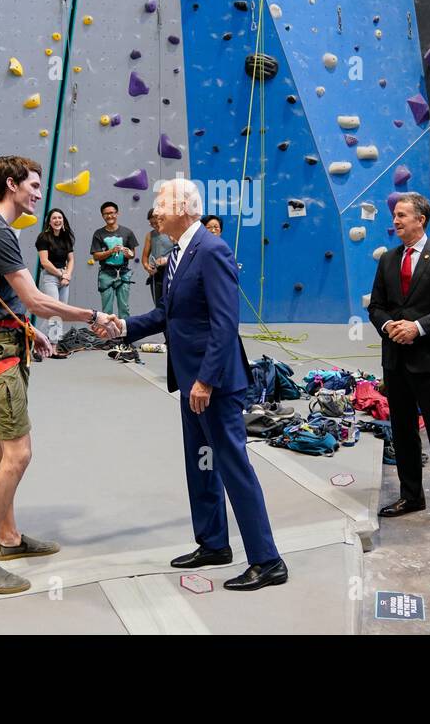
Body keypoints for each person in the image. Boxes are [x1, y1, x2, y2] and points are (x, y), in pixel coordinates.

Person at [98, 178, 287, 590]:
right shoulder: (178, 252)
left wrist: (205, 380)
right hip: (189, 381)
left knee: (233, 467)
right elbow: (168, 313)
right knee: (200, 465)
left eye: (161, 203)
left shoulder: (212, 250)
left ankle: (268, 560)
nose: (155, 210)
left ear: (183, 206)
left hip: (212, 384)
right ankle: (214, 542)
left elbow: (224, 322)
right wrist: (123, 327)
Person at [0, 156, 116, 594]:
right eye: (32, 185)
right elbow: (36, 298)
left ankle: (7, 538)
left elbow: (0, 299)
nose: (38, 193)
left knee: (0, 445)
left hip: (8, 340)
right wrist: (93, 315)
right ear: (11, 184)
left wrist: (28, 330)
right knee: (18, 455)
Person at [367, 193, 430, 533]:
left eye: (401, 215)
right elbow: (376, 306)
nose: (395, 221)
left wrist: (418, 327)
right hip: (395, 362)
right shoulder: (387, 260)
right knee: (403, 432)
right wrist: (387, 326)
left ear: (420, 220)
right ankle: (411, 496)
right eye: (395, 216)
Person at [91, 202, 139, 318]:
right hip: (106, 273)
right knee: (106, 308)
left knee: (124, 306)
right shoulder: (98, 234)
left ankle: (125, 333)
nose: (109, 216)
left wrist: (129, 254)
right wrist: (111, 251)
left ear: (117, 214)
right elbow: (96, 256)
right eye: (106, 214)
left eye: (112, 213)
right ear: (102, 216)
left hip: (123, 273)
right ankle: (108, 334)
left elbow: (132, 254)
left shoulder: (127, 232)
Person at [35, 208, 75, 343]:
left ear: (63, 220)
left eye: (60, 217)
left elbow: (71, 259)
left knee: (61, 313)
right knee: (54, 312)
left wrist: (67, 275)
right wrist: (61, 274)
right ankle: (36, 339)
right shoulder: (43, 238)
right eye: (54, 218)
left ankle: (53, 347)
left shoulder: (66, 237)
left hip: (64, 277)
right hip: (50, 277)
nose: (57, 220)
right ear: (49, 222)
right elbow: (44, 262)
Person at [142, 207, 174, 306]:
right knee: (158, 305)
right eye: (152, 224)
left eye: (157, 223)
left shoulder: (172, 232)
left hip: (171, 272)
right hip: (156, 274)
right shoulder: (150, 235)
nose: (155, 226)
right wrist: (147, 267)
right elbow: (144, 258)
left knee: (172, 303)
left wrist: (166, 260)